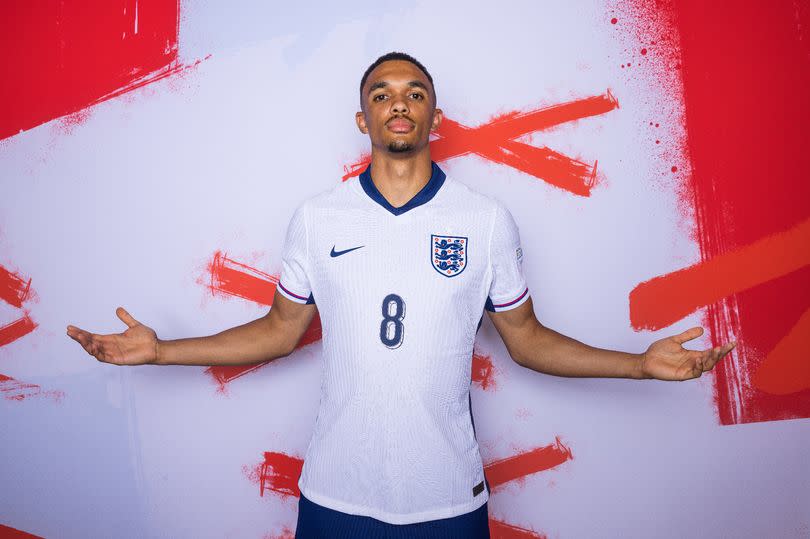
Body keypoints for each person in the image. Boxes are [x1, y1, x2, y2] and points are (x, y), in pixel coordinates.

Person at [67, 51, 736, 539]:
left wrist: (638, 363)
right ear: (361, 116)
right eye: (382, 93)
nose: (398, 103)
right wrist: (161, 351)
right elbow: (279, 330)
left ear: (434, 116)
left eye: (415, 93)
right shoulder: (317, 217)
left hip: (447, 499)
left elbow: (528, 340)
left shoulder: (484, 219)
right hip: (334, 493)